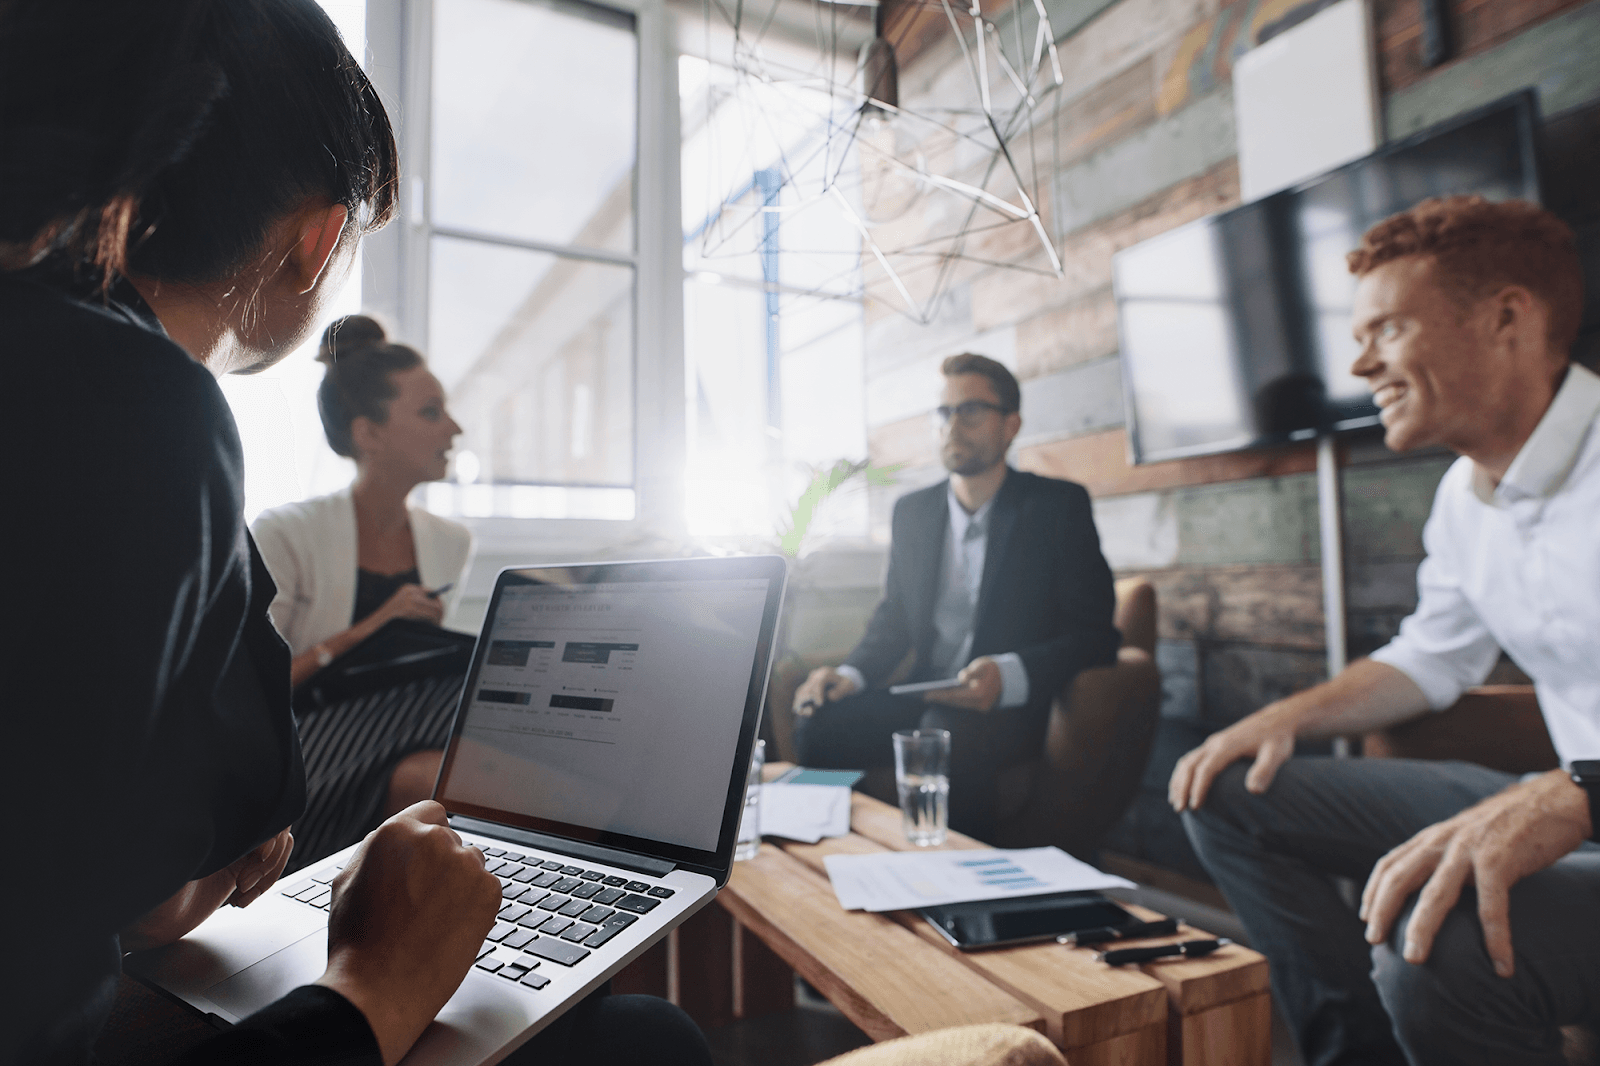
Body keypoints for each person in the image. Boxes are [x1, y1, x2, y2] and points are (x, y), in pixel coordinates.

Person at [0, 3, 709, 1064]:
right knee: (647, 1044)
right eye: (429, 411)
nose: (453, 426)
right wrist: (368, 988)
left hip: (171, 919)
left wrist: (150, 884)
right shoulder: (134, 411)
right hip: (242, 891)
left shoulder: (71, 374)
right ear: (317, 239)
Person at [1168, 196, 1600, 1066]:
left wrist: (1578, 791)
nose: (1360, 363)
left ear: (1506, 318)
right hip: (1564, 800)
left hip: (1578, 803)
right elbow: (1432, 655)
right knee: (1225, 784)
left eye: (1388, 329)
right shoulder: (1462, 498)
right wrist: (1282, 719)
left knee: (1436, 947)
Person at [791, 353, 1120, 838]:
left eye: (970, 410)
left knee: (947, 731)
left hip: (1006, 709)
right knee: (819, 724)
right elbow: (894, 622)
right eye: (944, 413)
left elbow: (1095, 636)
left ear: (1011, 425)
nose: (952, 426)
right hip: (924, 692)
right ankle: (836, 870)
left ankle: (961, 899)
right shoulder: (913, 513)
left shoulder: (1057, 508)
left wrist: (1008, 674)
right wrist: (848, 674)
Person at [254, 315, 469, 849]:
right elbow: (253, 693)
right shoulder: (285, 533)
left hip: (403, 731)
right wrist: (374, 627)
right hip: (300, 745)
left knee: (450, 757)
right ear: (368, 433)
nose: (455, 429)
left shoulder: (450, 543)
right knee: (463, 742)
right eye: (431, 412)